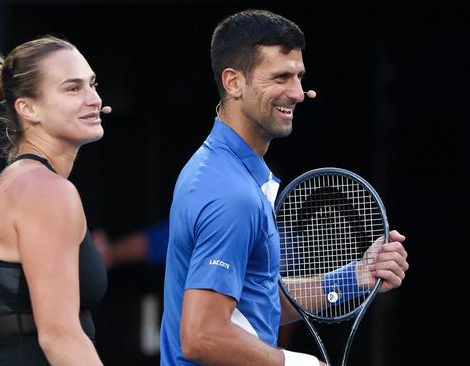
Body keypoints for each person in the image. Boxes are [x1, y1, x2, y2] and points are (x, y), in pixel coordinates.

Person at [159, 9, 409, 366]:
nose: (297, 92)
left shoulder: (224, 170)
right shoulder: (230, 193)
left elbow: (254, 303)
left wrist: (355, 277)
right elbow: (202, 336)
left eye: (298, 76)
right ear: (233, 83)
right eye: (280, 77)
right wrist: (295, 363)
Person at [0, 35, 108, 365]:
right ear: (28, 108)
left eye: (92, 84)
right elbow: (61, 337)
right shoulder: (44, 191)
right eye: (73, 89)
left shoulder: (17, 183)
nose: (94, 98)